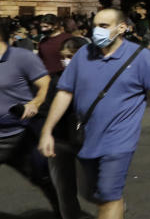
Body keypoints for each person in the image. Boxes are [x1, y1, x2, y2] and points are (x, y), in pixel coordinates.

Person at [39, 8, 150, 219]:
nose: (96, 31)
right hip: (87, 140)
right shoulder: (83, 54)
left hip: (119, 142)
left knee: (108, 197)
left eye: (103, 26)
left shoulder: (141, 57)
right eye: (95, 26)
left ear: (121, 28)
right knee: (99, 195)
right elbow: (64, 93)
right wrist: (47, 130)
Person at [0, 21, 58, 215]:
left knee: (43, 177)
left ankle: (63, 211)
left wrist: (34, 103)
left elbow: (44, 83)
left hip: (21, 133)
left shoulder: (22, 57)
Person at [44, 36, 89, 219]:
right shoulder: (55, 80)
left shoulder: (97, 80)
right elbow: (46, 109)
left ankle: (113, 207)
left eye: (71, 56)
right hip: (60, 140)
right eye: (64, 56)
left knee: (95, 188)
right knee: (64, 190)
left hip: (88, 139)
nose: (66, 60)